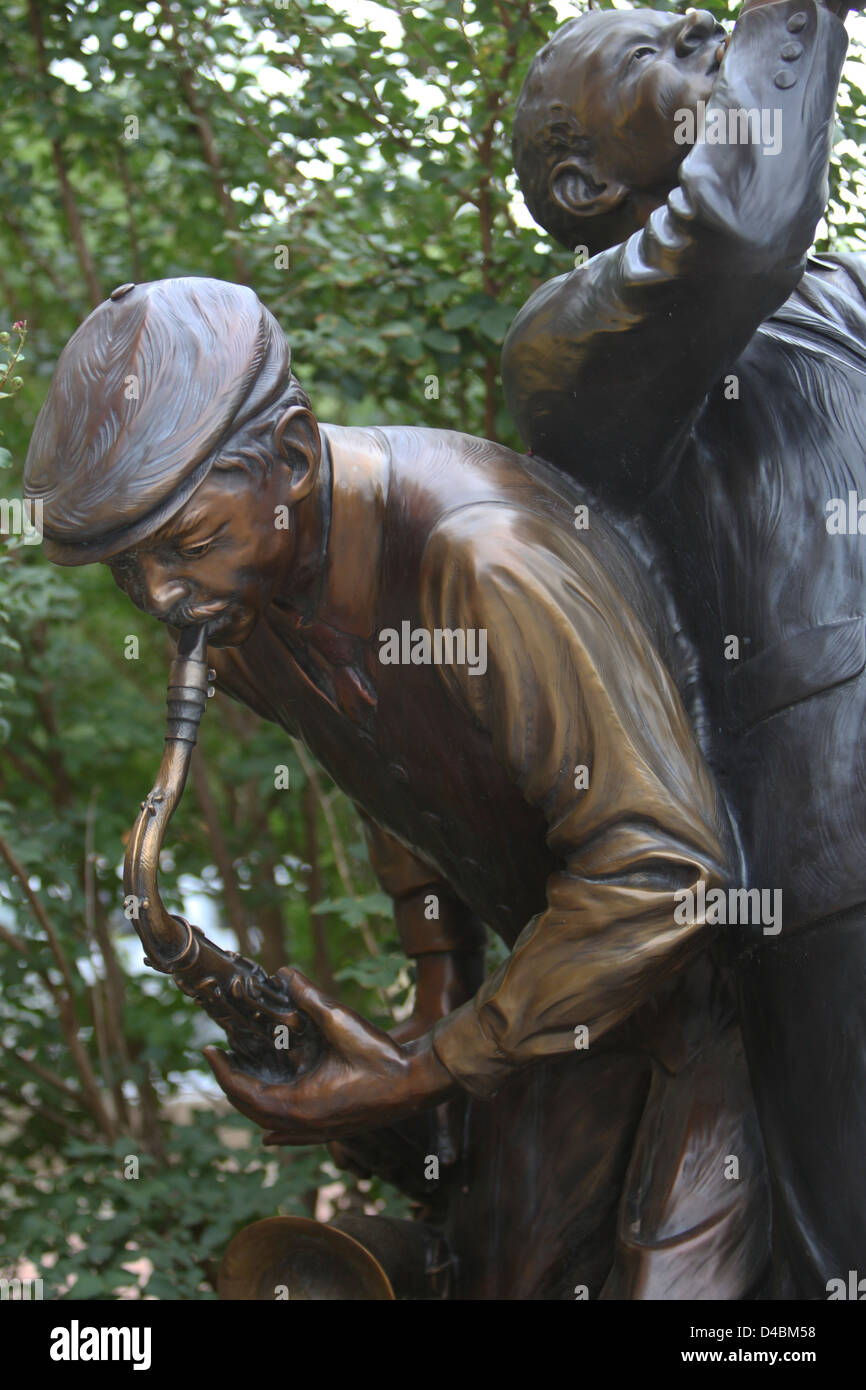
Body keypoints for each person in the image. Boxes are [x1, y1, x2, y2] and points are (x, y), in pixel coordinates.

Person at [24, 275, 768, 1299]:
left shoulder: (486, 559)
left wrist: (420, 1069)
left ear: (288, 456)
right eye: (128, 570)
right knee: (505, 1274)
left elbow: (668, 869)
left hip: (736, 995)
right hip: (572, 990)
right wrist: (433, 981)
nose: (161, 598)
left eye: (189, 544)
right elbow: (392, 782)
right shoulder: (241, 615)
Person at [503, 0, 862, 1296]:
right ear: (582, 177)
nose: (714, 33)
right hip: (832, 843)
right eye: (670, 47)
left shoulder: (843, 290)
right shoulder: (565, 345)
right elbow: (737, 224)